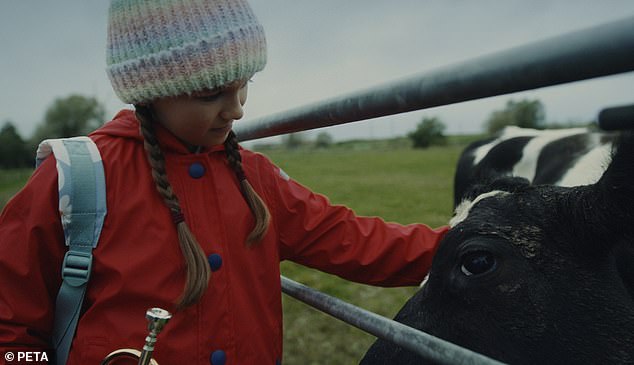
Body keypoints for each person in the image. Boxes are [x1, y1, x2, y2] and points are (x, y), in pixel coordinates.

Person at [0, 0, 448, 364]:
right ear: (149, 91)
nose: (236, 110)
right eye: (210, 93)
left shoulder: (256, 179)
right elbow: (10, 325)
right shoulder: (77, 176)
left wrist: (471, 246)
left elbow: (355, 241)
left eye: (244, 84)